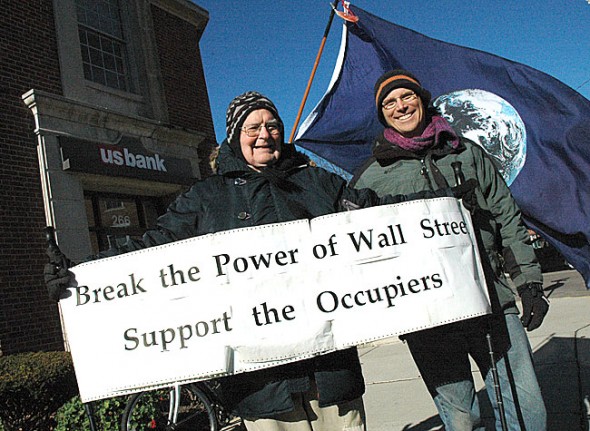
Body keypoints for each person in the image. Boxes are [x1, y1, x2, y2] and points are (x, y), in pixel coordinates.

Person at [45, 91, 475, 431]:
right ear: (235, 136)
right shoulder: (205, 197)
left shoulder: (316, 181)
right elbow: (151, 248)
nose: (265, 133)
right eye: (254, 127)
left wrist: (441, 207)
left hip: (330, 372)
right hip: (261, 385)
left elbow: (380, 217)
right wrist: (81, 275)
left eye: (273, 124)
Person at [351, 70, 550, 430]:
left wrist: (529, 283)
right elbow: (362, 254)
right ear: (382, 114)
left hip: (490, 299)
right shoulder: (371, 177)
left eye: (406, 97)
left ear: (422, 101)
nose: (400, 106)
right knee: (461, 417)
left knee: (524, 407)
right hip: (428, 317)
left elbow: (506, 217)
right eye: (389, 102)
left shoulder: (468, 154)